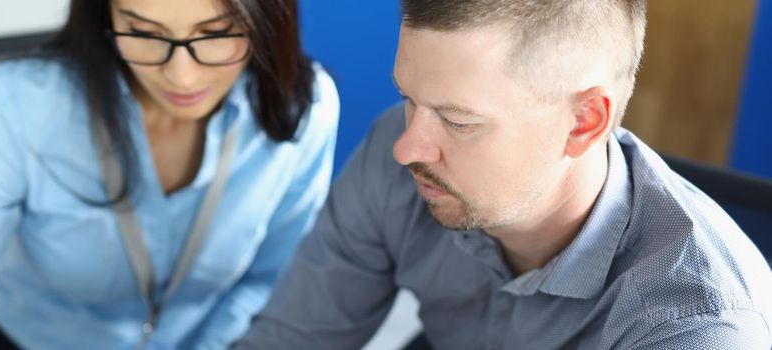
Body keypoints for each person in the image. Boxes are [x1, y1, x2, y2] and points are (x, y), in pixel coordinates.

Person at [235, 1, 772, 349]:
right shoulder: (399, 158)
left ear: (584, 122)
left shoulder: (697, 330)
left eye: (458, 121)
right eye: (408, 99)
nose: (407, 148)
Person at [0, 0, 339, 348]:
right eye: (145, 32)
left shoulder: (306, 109)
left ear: (266, 18)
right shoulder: (17, 108)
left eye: (216, 33)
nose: (183, 76)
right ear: (106, 17)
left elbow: (272, 282)